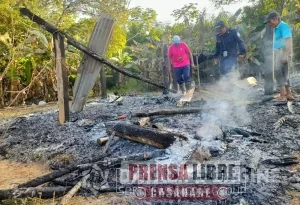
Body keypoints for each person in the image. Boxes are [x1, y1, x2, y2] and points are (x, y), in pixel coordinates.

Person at [264, 11, 294, 101]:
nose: (269, 24)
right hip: (279, 52)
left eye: (270, 21)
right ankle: (288, 94)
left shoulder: (283, 26)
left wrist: (286, 54)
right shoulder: (277, 28)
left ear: (275, 18)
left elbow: (288, 40)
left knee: (278, 73)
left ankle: (282, 95)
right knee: (285, 73)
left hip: (282, 51)